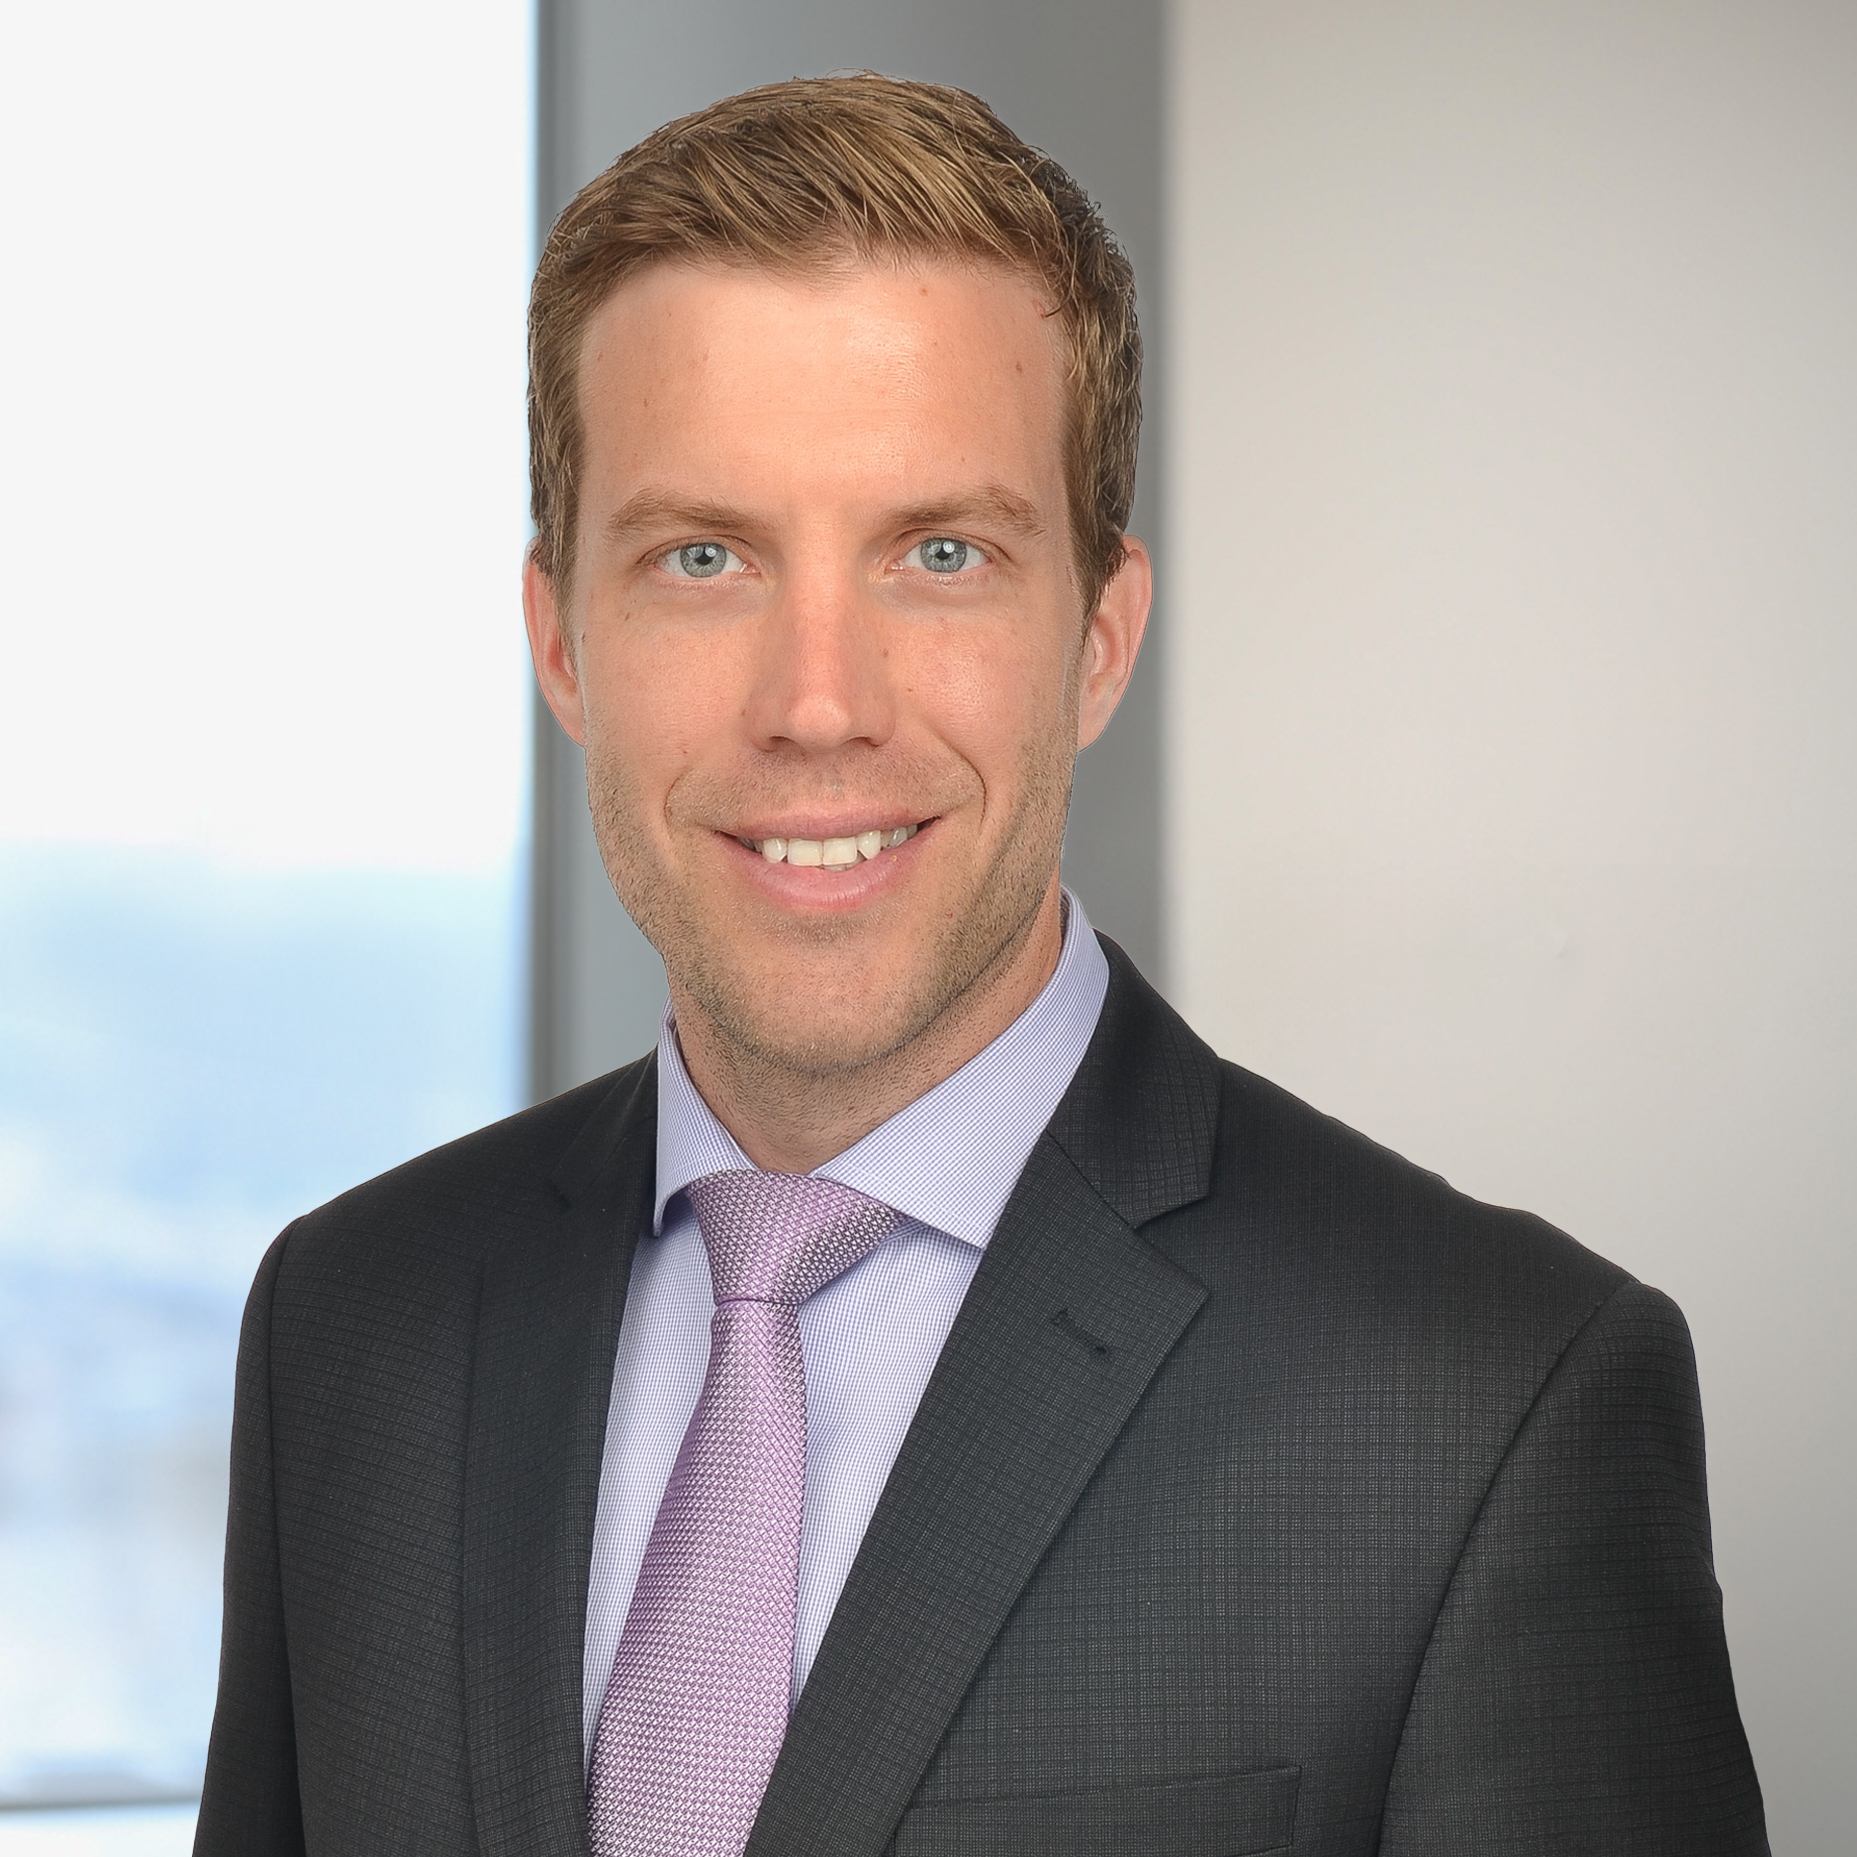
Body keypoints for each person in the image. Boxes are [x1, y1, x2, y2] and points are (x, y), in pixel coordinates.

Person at [194, 75, 1767, 1857]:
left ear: (1097, 638)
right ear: (562, 641)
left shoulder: (1489, 1402)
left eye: (939, 553)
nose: (817, 702)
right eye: (702, 556)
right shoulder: (350, 1328)